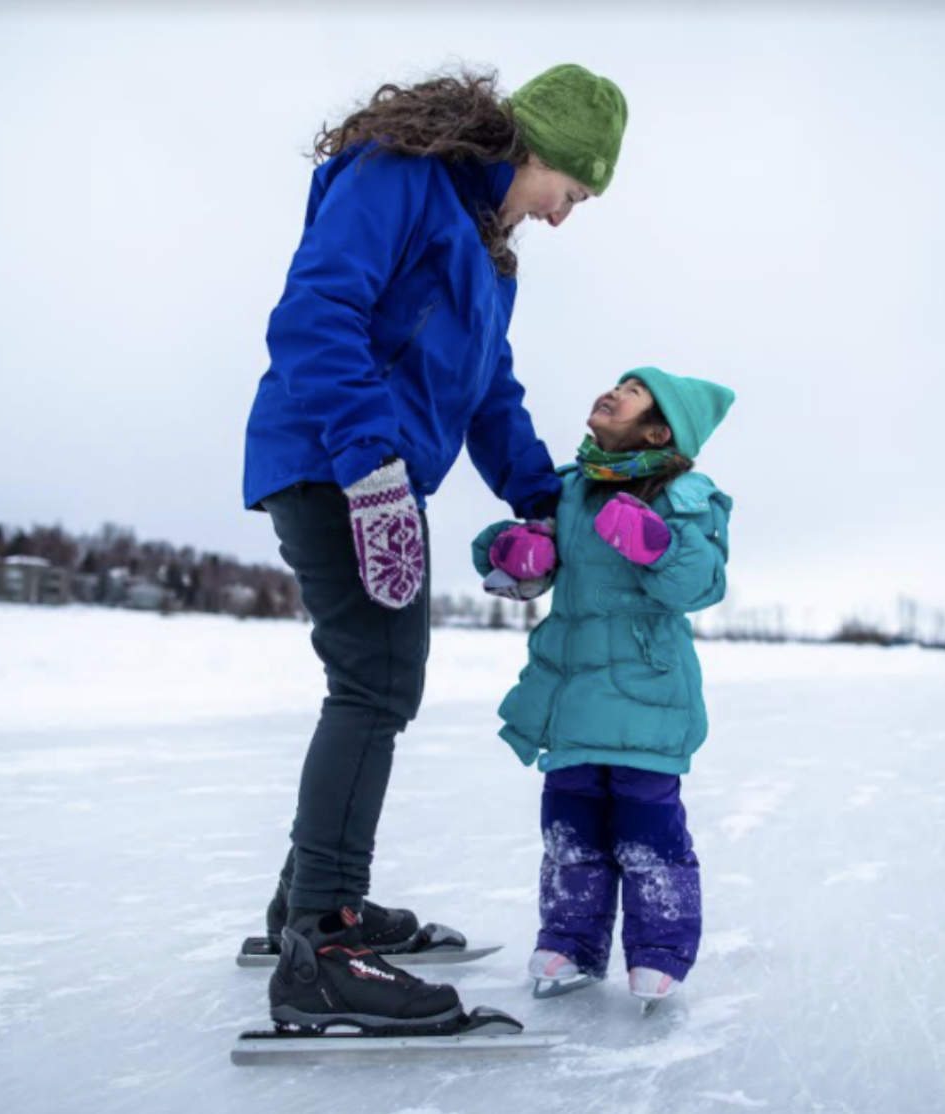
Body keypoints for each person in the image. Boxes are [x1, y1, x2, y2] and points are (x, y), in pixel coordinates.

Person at [241, 64, 628, 1032]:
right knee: (375, 680)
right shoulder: (400, 173)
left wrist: (547, 497)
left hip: (372, 473)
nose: (564, 217)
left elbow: (489, 394)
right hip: (333, 454)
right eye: (571, 192)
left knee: (378, 677)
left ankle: (306, 904)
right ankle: (324, 945)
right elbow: (314, 314)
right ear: (536, 147)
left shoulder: (489, 261)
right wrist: (370, 467)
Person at [473, 367, 735, 1003]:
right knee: (569, 827)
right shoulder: (567, 489)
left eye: (635, 392)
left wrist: (658, 546)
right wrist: (510, 552)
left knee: (648, 830)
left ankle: (660, 952)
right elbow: (504, 559)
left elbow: (703, 584)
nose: (613, 391)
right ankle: (568, 943)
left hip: (648, 692)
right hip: (569, 689)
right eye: (617, 382)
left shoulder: (685, 495)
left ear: (659, 427)